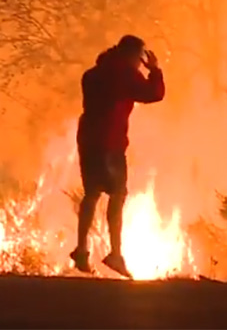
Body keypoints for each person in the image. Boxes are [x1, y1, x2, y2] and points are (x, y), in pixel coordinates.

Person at [70, 35, 165, 277]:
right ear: (134, 55)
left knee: (91, 193)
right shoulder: (124, 74)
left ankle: (81, 250)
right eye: (139, 57)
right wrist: (154, 70)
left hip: (88, 140)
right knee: (118, 194)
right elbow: (154, 94)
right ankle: (115, 254)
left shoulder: (92, 74)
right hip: (110, 143)